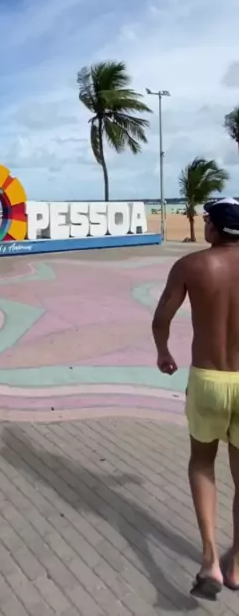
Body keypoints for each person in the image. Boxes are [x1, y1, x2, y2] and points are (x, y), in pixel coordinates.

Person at [152, 197, 239, 600]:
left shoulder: (191, 266)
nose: (204, 226)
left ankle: (210, 561)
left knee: (202, 463)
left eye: (207, 221)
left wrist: (163, 352)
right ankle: (237, 565)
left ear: (215, 229)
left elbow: (161, 318)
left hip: (207, 380)